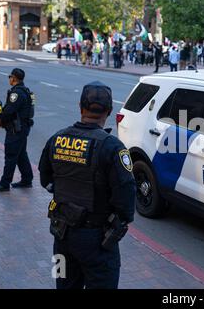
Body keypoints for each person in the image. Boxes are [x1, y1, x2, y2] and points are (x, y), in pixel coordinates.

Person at [38, 81, 136, 289]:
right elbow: (126, 196)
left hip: (61, 236)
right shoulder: (112, 147)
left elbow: (45, 180)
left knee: (64, 284)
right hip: (97, 241)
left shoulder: (57, 139)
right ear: (108, 111)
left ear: (80, 106)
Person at [0, 68, 35, 192]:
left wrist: (1, 119)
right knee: (21, 154)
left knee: (10, 155)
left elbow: (8, 111)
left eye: (10, 77)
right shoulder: (27, 91)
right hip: (23, 128)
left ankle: (5, 183)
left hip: (16, 129)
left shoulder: (16, 93)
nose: (9, 79)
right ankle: (27, 179)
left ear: (14, 78)